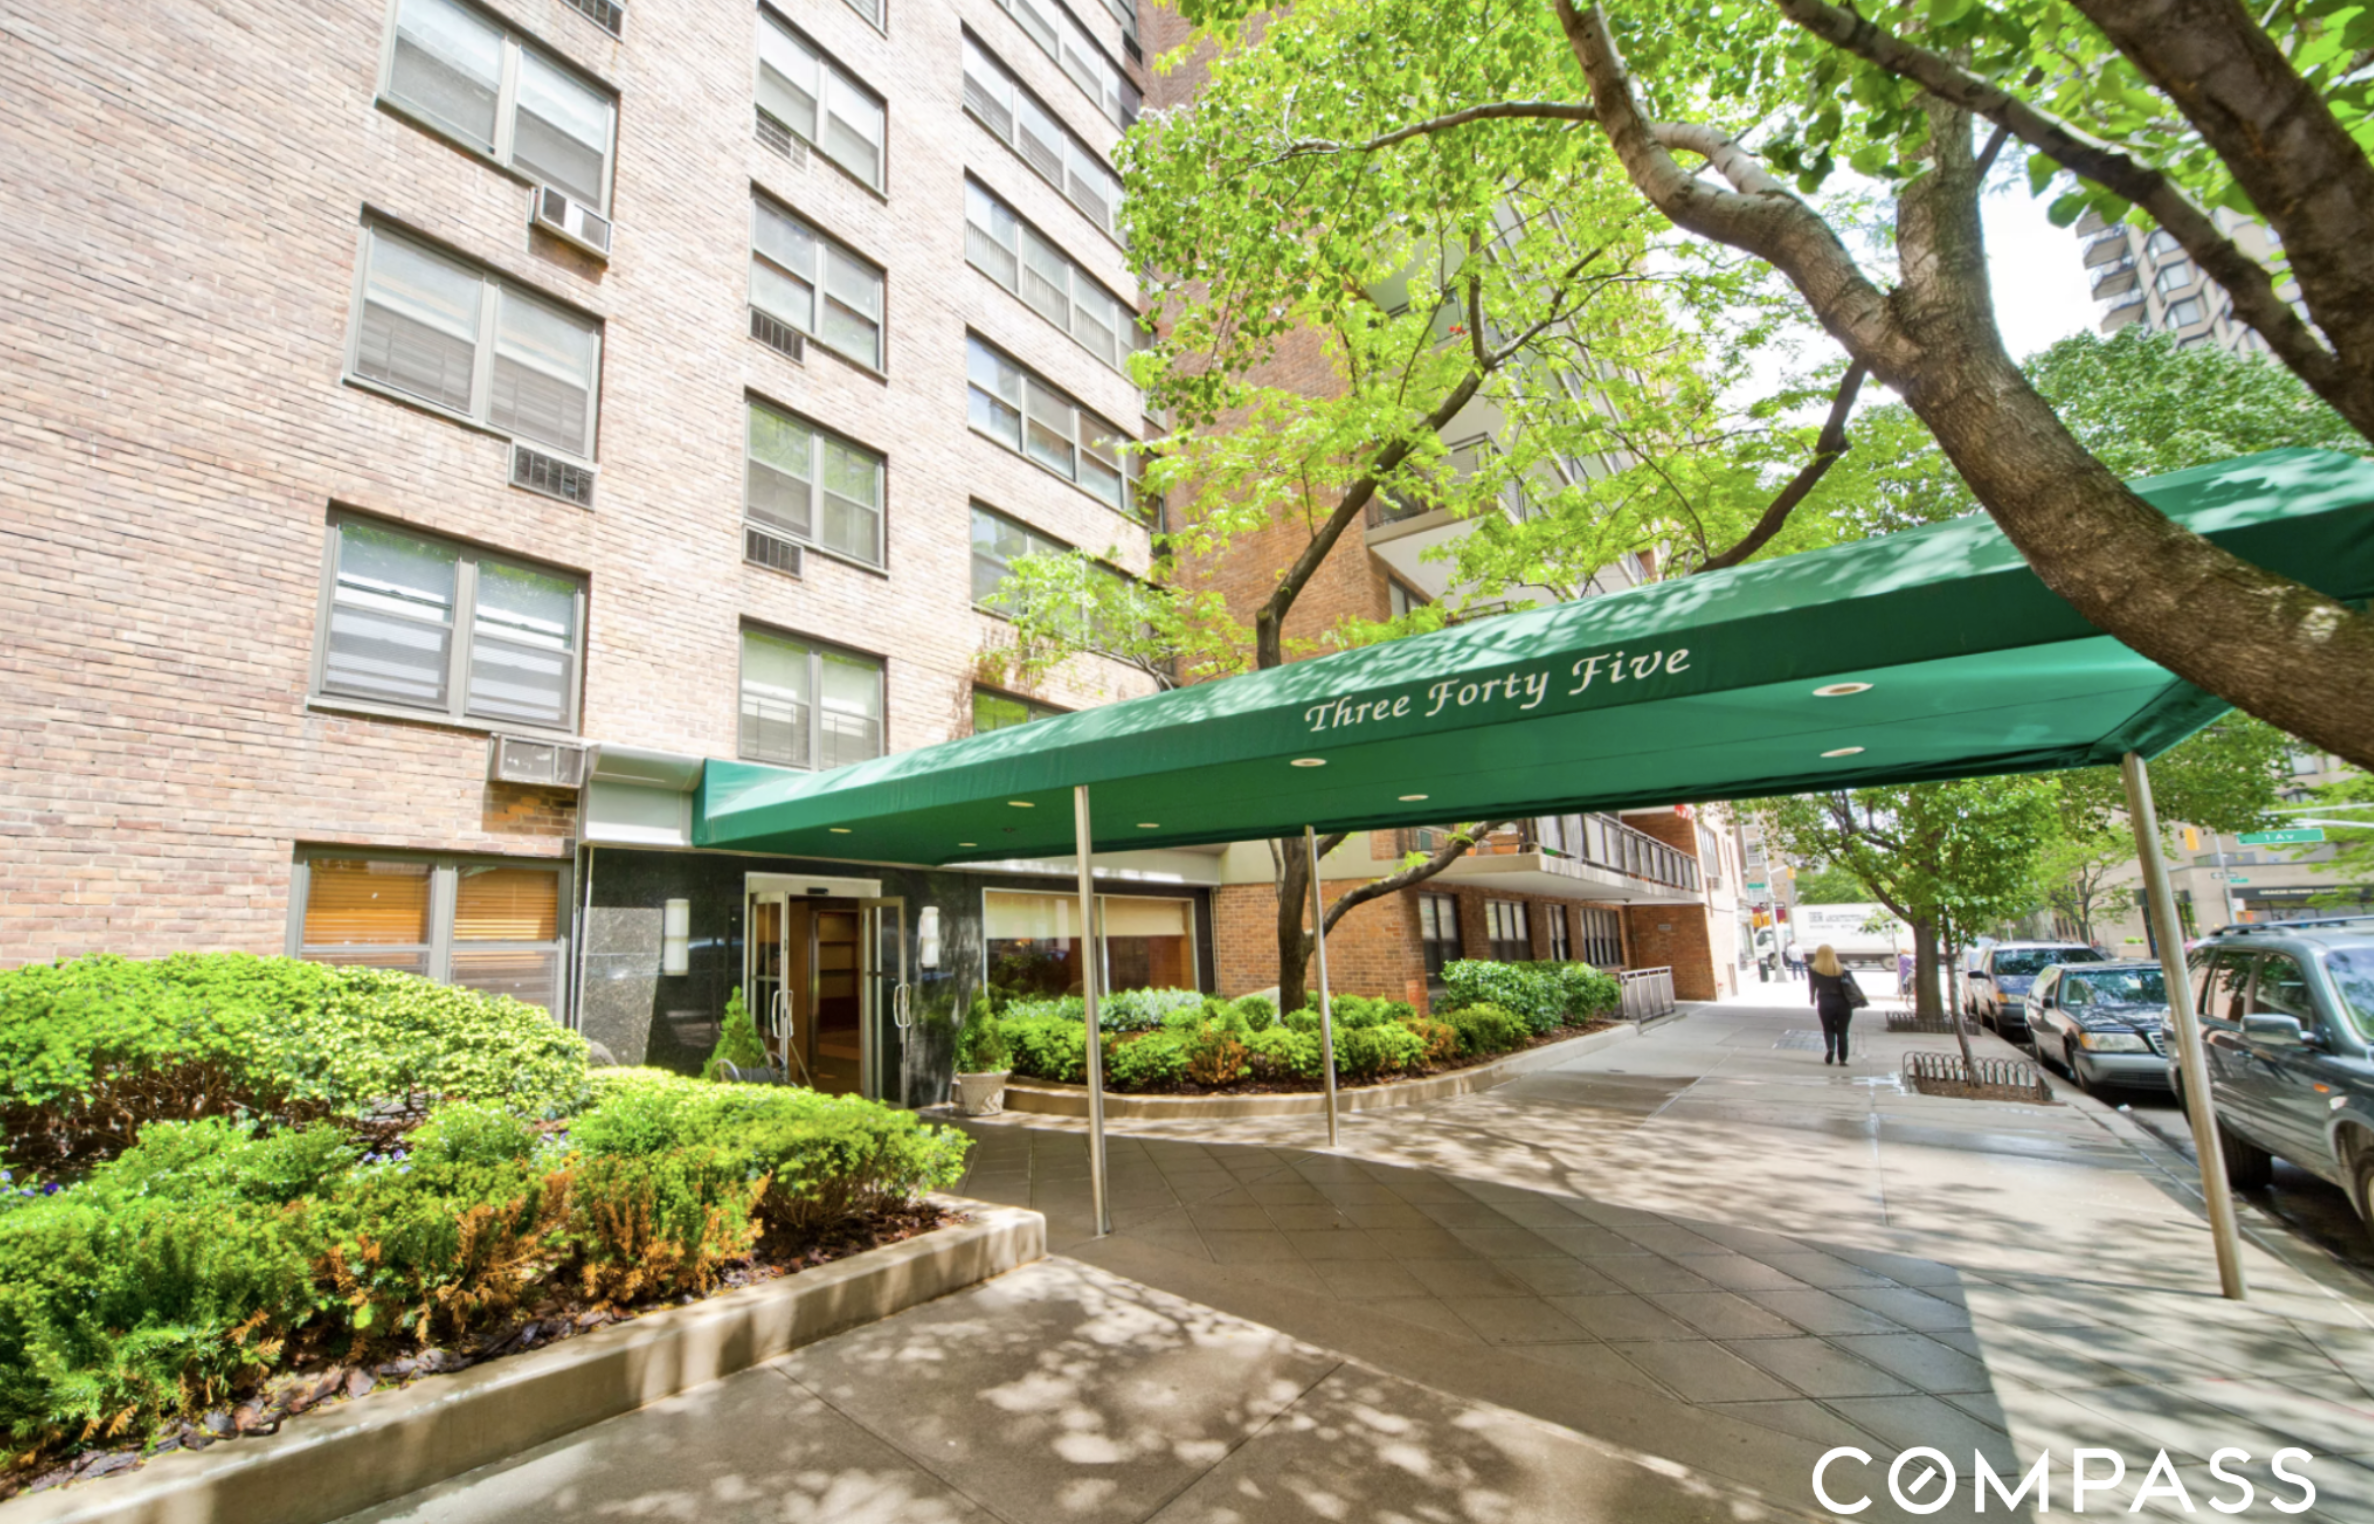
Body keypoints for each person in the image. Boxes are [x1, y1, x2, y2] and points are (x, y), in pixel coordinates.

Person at [1808, 944, 1859, 1064]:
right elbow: (1852, 986)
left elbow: (1812, 985)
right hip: (1843, 1003)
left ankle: (1830, 1049)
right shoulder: (1842, 969)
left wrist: (1812, 998)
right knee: (1842, 1031)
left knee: (1828, 1029)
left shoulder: (1813, 969)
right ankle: (1842, 1059)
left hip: (1825, 1002)